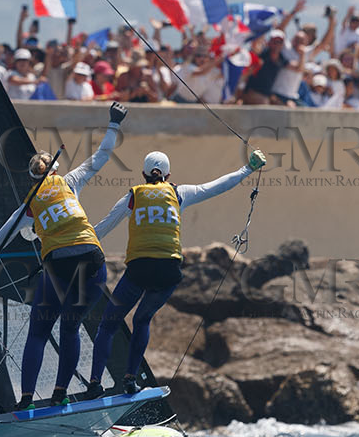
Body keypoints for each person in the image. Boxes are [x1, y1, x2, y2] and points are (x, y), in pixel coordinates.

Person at [0, 102, 128, 409]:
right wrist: (114, 122)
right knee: (71, 326)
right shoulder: (71, 182)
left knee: (39, 331)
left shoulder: (29, 204)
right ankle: (60, 394)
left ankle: (27, 400)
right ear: (55, 170)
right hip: (92, 262)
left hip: (59, 267)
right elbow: (101, 157)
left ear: (33, 178)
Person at [87, 146, 268, 394]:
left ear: (143, 174)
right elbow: (217, 186)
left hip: (139, 269)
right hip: (169, 271)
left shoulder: (132, 196)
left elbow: (103, 228)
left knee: (108, 325)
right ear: (168, 176)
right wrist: (248, 169)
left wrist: (75, 244)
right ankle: (130, 380)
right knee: (142, 319)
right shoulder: (180, 193)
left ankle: (95, 384)